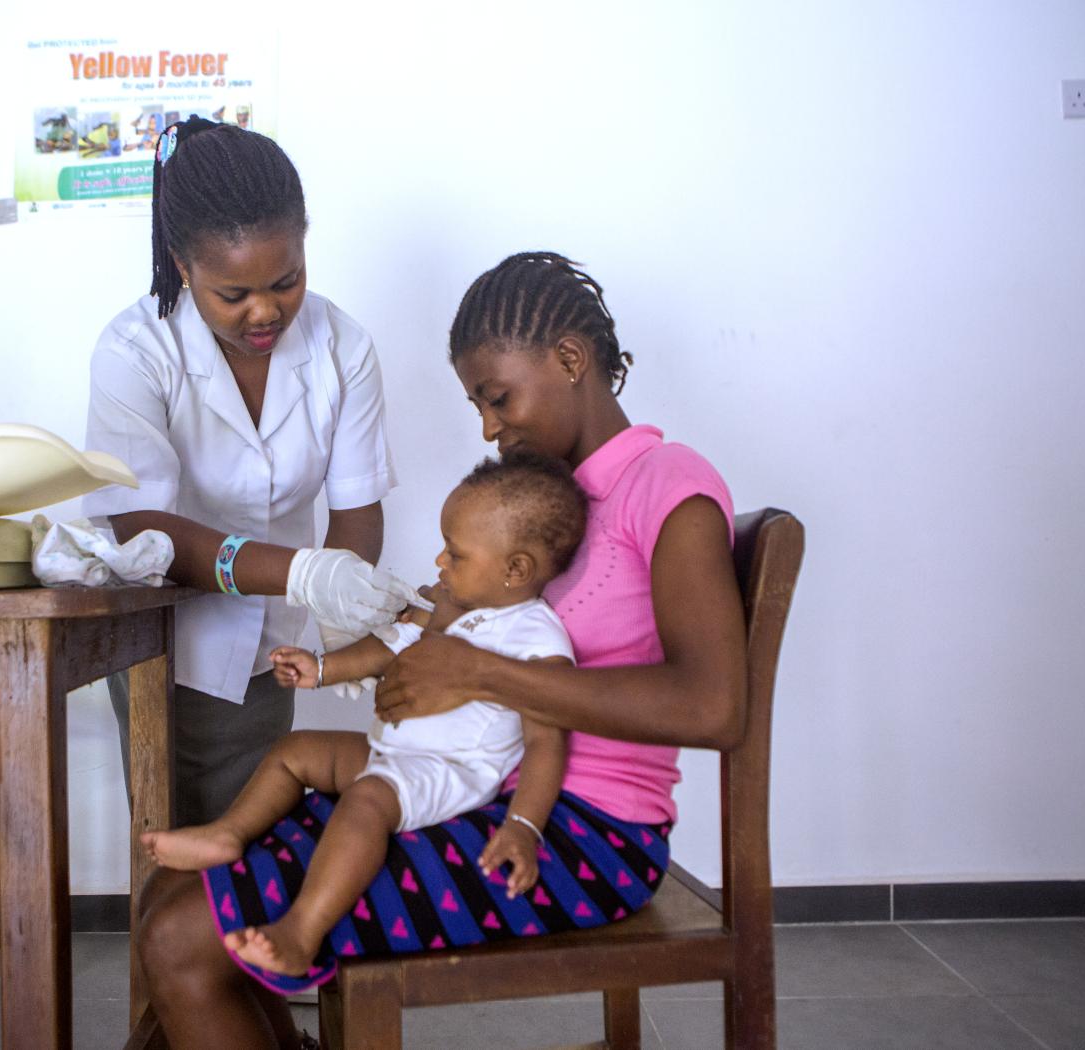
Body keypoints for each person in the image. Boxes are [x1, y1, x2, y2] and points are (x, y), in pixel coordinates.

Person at [133, 251, 748, 1050]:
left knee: (182, 939)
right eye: (479, 407)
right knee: (173, 894)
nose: (490, 428)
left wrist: (477, 671)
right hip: (476, 787)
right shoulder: (536, 511)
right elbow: (468, 642)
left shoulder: (668, 484)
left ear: (570, 359)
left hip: (577, 834)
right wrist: (418, 645)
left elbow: (715, 706)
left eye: (497, 398)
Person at [81, 116, 420, 828]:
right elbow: (141, 524)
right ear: (183, 265)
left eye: (286, 281)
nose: (265, 310)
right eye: (232, 296)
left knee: (257, 850)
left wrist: (345, 599)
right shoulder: (135, 350)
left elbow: (356, 506)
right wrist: (303, 571)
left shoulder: (342, 347)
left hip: (276, 646)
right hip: (160, 642)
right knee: (171, 848)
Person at [140, 452, 586, 990]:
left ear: (516, 570)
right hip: (395, 755)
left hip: (447, 773)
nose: (441, 560)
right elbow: (388, 645)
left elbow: (546, 744)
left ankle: (301, 935)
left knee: (367, 801)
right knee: (298, 750)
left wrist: (522, 826)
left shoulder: (536, 639)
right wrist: (321, 669)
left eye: (457, 553)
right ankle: (228, 835)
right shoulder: (451, 604)